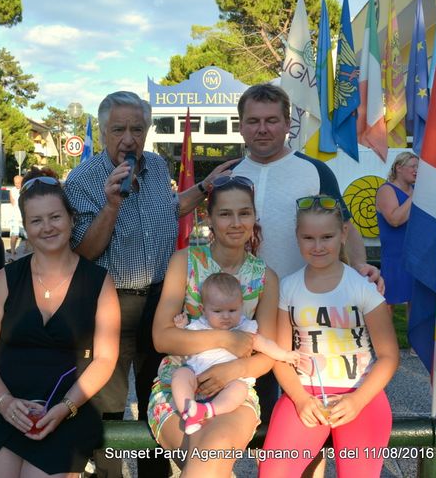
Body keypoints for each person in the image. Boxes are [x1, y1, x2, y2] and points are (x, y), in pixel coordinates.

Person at [63, 90, 234, 477]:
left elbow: (170, 210)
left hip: (160, 306)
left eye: (137, 129)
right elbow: (83, 251)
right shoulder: (82, 180)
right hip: (108, 306)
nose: (128, 138)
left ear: (146, 131)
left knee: (158, 400)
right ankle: (107, 474)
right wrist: (112, 205)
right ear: (103, 132)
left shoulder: (156, 167)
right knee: (107, 406)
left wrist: (205, 187)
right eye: (118, 130)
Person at [232, 83, 382, 427]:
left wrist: (360, 264)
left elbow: (345, 226)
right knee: (245, 409)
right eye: (253, 121)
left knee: (307, 411)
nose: (262, 129)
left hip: (302, 311)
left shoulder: (315, 171)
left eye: (271, 120)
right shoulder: (230, 175)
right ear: (241, 126)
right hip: (242, 310)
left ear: (288, 124)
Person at [0, 168, 120, 478]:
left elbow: (105, 359)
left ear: (72, 219)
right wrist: (5, 403)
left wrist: (66, 407)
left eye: (55, 217)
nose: (47, 227)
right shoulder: (4, 280)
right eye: (36, 220)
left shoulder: (98, 282)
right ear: (26, 227)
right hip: (1, 407)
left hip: (68, 408)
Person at [259, 195, 399, 478]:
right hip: (305, 394)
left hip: (361, 395)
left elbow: (389, 356)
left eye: (327, 237)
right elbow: (281, 356)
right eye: (308, 238)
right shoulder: (288, 288)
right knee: (274, 472)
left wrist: (357, 400)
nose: (318, 246)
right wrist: (300, 399)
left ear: (343, 234)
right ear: (297, 237)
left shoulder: (362, 287)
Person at [149, 175, 279, 476]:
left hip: (235, 390)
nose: (236, 223)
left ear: (254, 217)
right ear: (208, 218)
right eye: (225, 214)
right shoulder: (185, 262)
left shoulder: (265, 277)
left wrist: (233, 369)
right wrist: (226, 340)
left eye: (244, 213)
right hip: (178, 387)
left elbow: (268, 354)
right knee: (208, 458)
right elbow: (161, 337)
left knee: (212, 449)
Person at [170, 272, 299, 435]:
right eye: (217, 311)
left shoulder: (244, 327)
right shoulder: (199, 326)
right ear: (203, 309)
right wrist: (182, 327)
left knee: (240, 389)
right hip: (196, 378)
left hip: (229, 382)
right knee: (181, 375)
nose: (226, 316)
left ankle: (207, 410)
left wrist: (284, 355)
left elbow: (264, 343)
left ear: (241, 306)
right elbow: (184, 342)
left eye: (232, 310)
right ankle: (188, 411)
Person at [375, 152, 418, 310]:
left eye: (419, 167)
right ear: (399, 168)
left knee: (416, 302)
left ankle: (413, 328)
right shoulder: (386, 190)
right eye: (413, 166)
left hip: (415, 253)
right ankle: (384, 328)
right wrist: (415, 196)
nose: (417, 170)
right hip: (395, 254)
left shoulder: (415, 189)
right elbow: (394, 220)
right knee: (389, 302)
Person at [9, 174, 24, 260]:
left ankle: (28, 251)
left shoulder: (24, 190)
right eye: (15, 183)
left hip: (22, 216)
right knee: (14, 234)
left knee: (28, 235)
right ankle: (12, 252)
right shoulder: (13, 190)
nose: (17, 184)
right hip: (15, 216)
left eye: (18, 183)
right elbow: (12, 202)